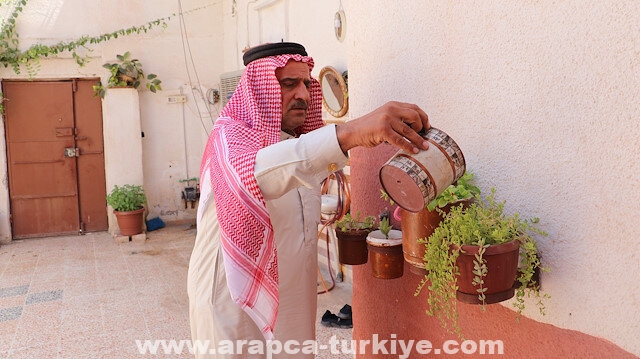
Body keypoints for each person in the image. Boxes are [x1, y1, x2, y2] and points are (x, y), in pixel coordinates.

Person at [187, 42, 430, 358]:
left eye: (306, 84)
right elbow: (262, 174)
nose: (303, 94)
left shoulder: (296, 143)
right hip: (232, 302)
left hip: (293, 300)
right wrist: (350, 133)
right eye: (288, 84)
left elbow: (302, 166)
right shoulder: (229, 139)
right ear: (260, 91)